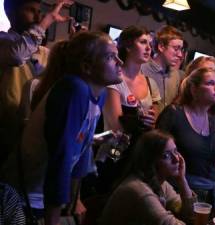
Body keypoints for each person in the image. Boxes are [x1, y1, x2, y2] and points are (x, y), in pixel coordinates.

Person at [1, 31, 123, 225]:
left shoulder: (100, 94)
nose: (120, 62)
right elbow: (61, 158)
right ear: (87, 67)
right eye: (110, 57)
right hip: (22, 199)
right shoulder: (73, 89)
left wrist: (76, 199)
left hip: (44, 198)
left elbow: (80, 152)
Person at [157, 67, 215, 219]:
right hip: (181, 193)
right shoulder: (174, 114)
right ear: (194, 89)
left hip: (213, 195)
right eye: (210, 83)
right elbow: (156, 157)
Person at [0, 0, 73, 164]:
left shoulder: (43, 52)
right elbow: (17, 56)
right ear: (11, 12)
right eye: (31, 10)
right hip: (7, 131)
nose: (38, 16)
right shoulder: (3, 40)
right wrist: (47, 21)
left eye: (39, 12)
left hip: (35, 131)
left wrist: (75, 43)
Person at [100, 130, 195, 225]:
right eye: (166, 155)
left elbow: (189, 215)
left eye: (175, 151)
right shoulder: (139, 190)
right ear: (151, 161)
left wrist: (182, 180)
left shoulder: (161, 184)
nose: (177, 159)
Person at [103, 25, 161, 138]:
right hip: (115, 149)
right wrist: (140, 121)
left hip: (141, 148)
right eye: (143, 42)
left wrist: (151, 120)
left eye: (150, 44)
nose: (149, 48)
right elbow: (116, 127)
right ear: (128, 46)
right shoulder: (114, 80)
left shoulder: (151, 83)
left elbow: (155, 124)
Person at [141, 25, 184, 111]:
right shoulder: (141, 70)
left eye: (181, 49)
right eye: (176, 49)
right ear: (161, 47)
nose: (180, 55)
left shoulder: (177, 75)